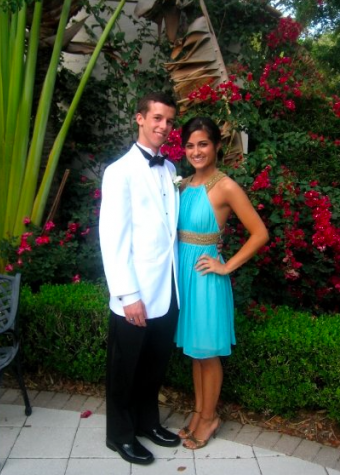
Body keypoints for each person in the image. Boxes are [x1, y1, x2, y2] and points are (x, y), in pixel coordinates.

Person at [175, 117, 269, 450]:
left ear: (216, 146)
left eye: (203, 144)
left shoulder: (225, 185)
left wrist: (226, 265)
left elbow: (260, 233)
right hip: (184, 278)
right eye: (189, 145)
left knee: (207, 353)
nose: (196, 151)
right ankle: (199, 413)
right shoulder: (184, 185)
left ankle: (210, 417)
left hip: (205, 277)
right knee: (195, 353)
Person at [99, 92, 181, 466]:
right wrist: (128, 294)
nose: (164, 126)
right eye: (158, 118)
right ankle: (119, 434)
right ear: (140, 119)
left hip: (168, 291)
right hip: (135, 295)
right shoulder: (119, 171)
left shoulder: (168, 170)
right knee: (124, 369)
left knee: (154, 366)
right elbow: (112, 239)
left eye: (169, 121)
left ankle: (148, 422)